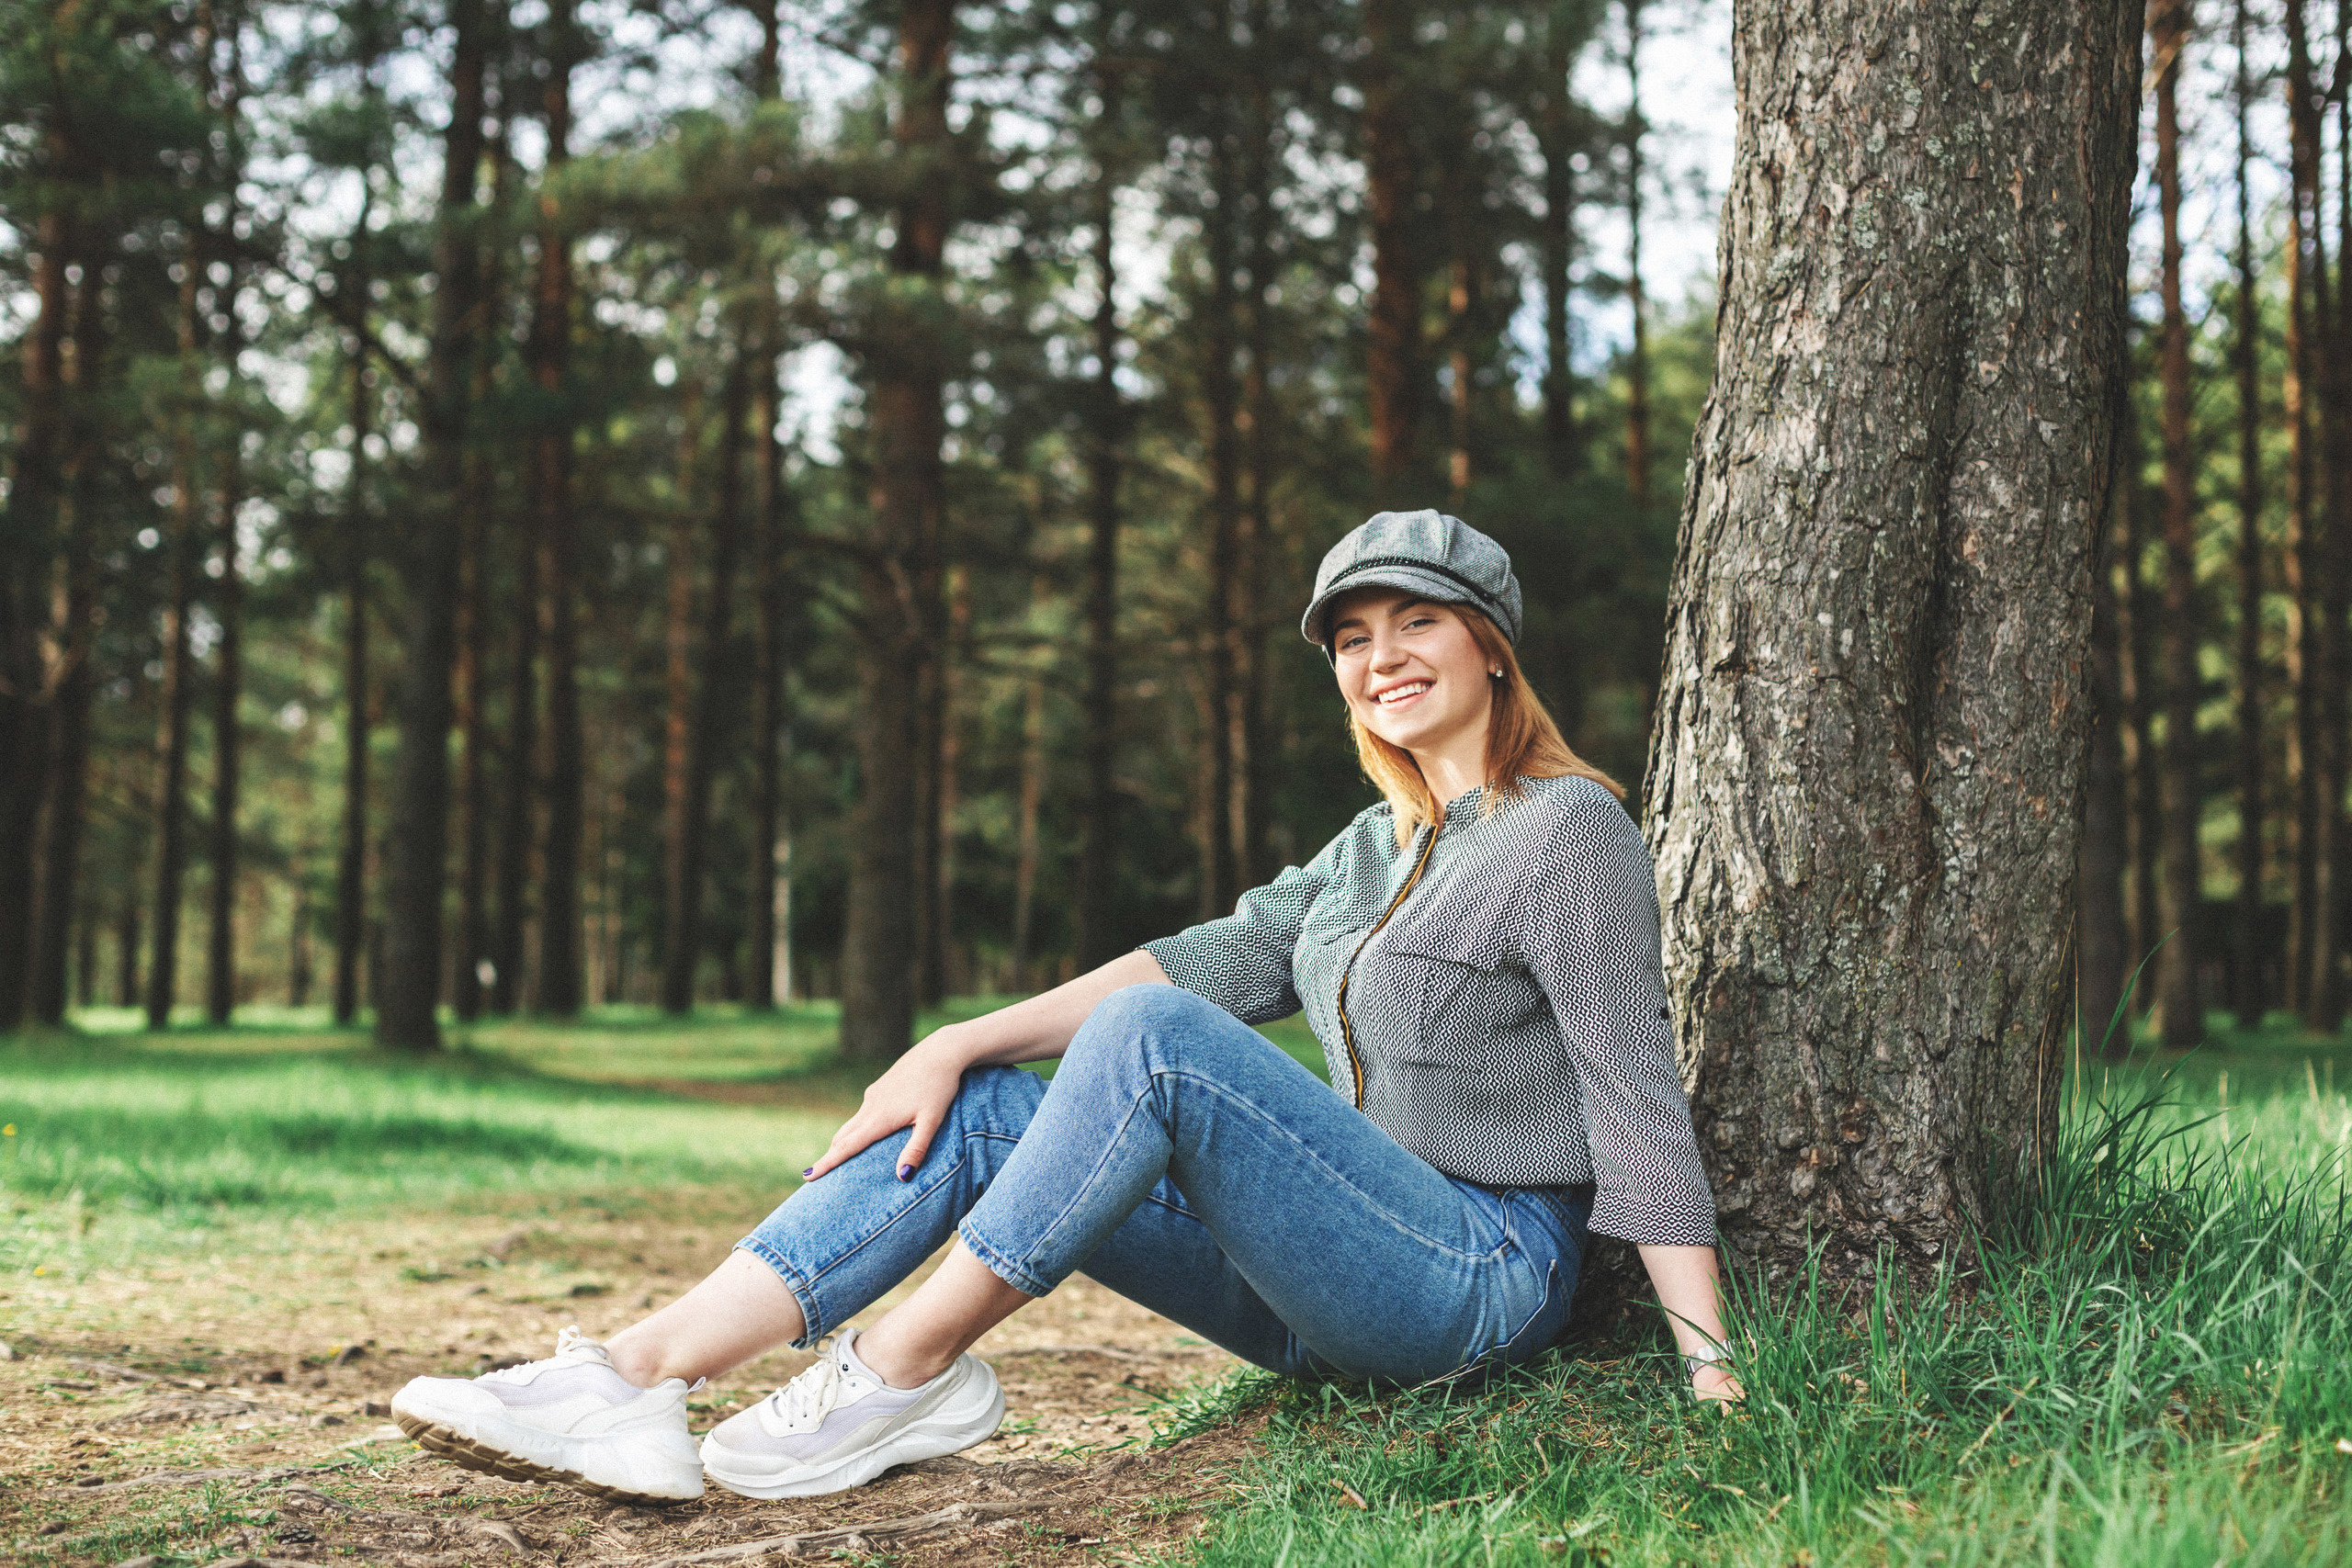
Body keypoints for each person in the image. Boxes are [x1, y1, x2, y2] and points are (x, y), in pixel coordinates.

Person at [390, 509, 1736, 1506]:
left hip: (1477, 1278)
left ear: (1491, 648)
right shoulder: (1371, 845)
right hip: (1324, 1286)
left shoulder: (1568, 832)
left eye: (1417, 624)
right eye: (1353, 638)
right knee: (979, 1105)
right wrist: (954, 1039)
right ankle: (636, 1379)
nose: (1382, 659)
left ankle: (904, 1366)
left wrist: (1711, 1375)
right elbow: (1196, 962)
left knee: (1153, 1051)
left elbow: (1634, 1096)